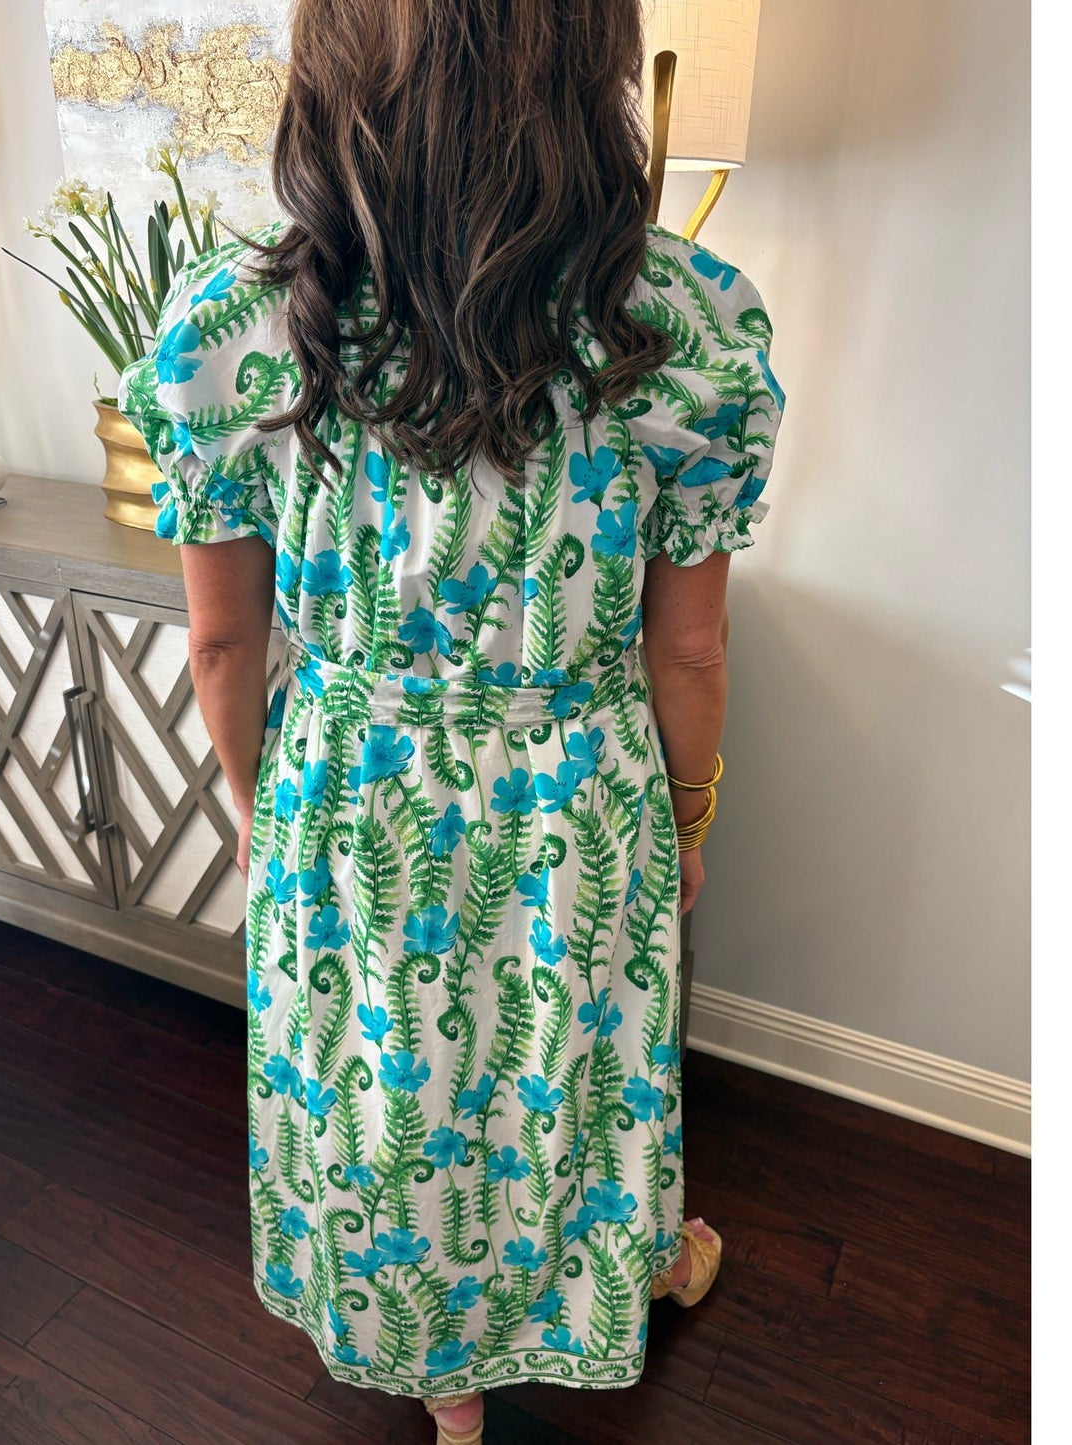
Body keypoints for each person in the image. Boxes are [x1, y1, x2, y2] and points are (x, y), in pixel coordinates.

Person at [119, 2, 784, 1439]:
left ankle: (448, 1393)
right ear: (590, 57)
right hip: (578, 785)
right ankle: (616, 1274)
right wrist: (689, 816)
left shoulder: (232, 325)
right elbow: (689, 649)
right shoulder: (684, 321)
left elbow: (225, 644)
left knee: (390, 1084)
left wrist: (261, 809)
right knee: (569, 1070)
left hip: (347, 782)